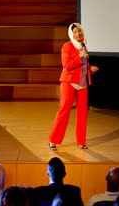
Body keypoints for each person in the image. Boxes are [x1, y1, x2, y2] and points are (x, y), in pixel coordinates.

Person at [48, 22, 99, 151]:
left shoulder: (82, 46)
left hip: (82, 83)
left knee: (82, 114)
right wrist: (80, 56)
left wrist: (90, 68)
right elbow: (67, 65)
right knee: (64, 112)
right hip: (69, 82)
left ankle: (81, 141)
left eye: (79, 31)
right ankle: (53, 140)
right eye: (75, 32)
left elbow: (83, 65)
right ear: (71, 34)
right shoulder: (67, 46)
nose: (78, 34)